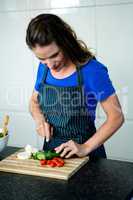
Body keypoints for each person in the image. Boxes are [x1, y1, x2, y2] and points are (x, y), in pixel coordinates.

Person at [26, 13, 124, 159]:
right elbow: (34, 102)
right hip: (51, 154)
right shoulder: (44, 69)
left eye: (54, 55)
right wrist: (40, 120)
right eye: (42, 59)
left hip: (87, 157)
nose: (50, 65)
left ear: (65, 42)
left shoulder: (92, 70)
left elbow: (116, 116)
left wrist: (85, 147)